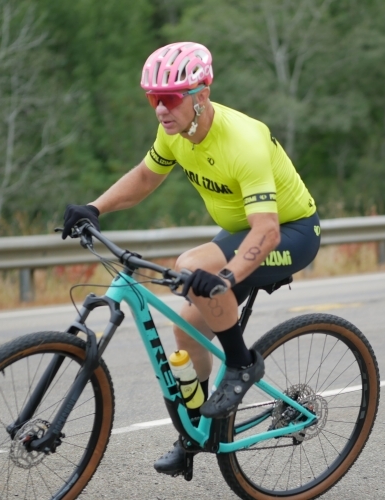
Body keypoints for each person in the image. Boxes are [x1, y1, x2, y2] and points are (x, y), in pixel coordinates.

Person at [62, 41, 321, 477]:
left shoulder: (244, 140)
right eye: (153, 99)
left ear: (201, 95)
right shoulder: (174, 132)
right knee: (186, 332)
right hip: (243, 232)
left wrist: (225, 277)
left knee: (190, 264)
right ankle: (196, 431)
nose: (161, 110)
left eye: (169, 98)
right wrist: (94, 207)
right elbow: (145, 178)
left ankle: (242, 364)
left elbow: (267, 231)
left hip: (291, 231)